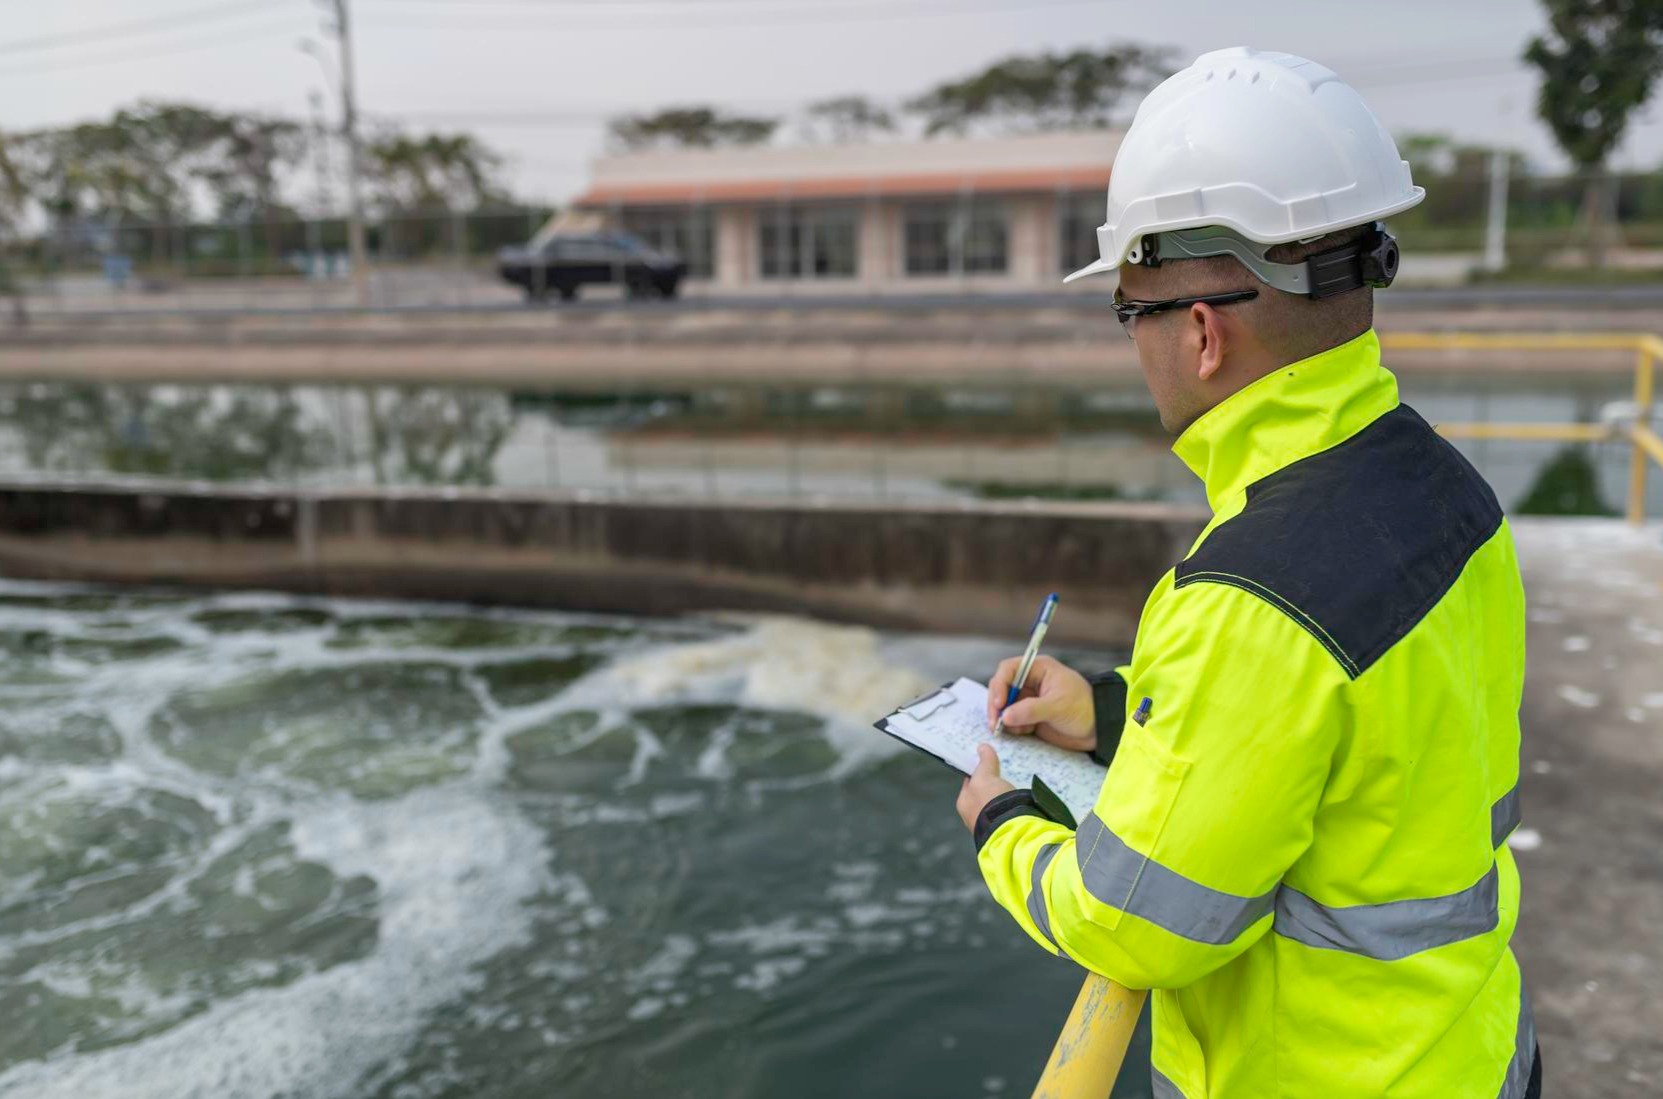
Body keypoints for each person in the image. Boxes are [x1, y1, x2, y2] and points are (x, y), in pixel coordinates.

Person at [953, 48, 1540, 1098]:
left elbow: (1135, 924)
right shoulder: (1448, 489)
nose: (1134, 347)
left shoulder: (1249, 590)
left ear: (1200, 331)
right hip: (1476, 1052)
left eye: (1127, 311)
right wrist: (1120, 714)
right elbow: (1349, 745)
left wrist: (1001, 828)